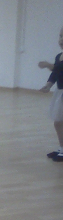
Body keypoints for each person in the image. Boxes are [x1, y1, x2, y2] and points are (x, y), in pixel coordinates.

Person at [39, 26, 63, 162]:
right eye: (60, 36)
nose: (61, 39)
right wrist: (48, 85)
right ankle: (61, 147)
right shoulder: (59, 56)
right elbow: (55, 74)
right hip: (60, 92)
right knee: (58, 122)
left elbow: (60, 69)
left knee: (60, 122)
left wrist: (49, 65)